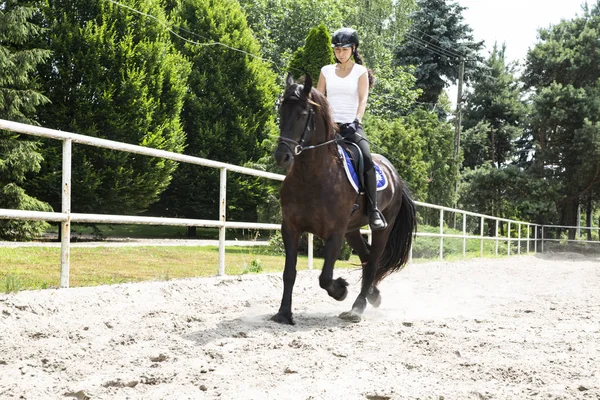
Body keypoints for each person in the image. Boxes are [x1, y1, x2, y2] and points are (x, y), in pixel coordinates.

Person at [316, 27, 387, 231]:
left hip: (351, 126)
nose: (340, 53)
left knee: (365, 156)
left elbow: (363, 99)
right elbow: (319, 98)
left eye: (344, 49)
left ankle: (373, 209)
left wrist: (357, 119)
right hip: (330, 127)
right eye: (337, 50)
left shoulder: (360, 72)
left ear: (353, 49)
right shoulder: (326, 71)